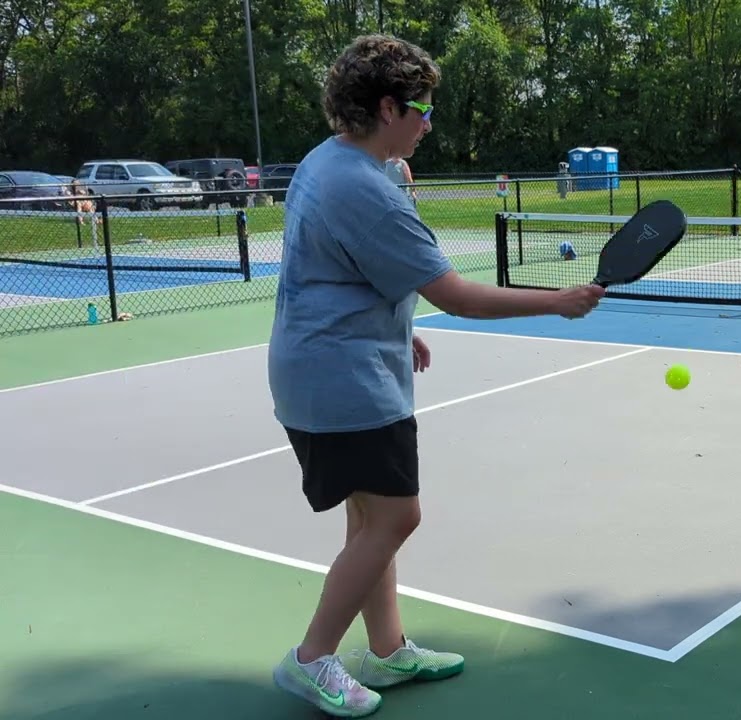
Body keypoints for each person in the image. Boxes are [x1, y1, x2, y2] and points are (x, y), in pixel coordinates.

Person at [266, 34, 605, 717]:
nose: (429, 123)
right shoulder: (368, 191)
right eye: (422, 109)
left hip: (327, 366)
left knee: (369, 518)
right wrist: (557, 302)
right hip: (343, 381)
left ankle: (387, 651)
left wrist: (398, 320)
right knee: (396, 517)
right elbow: (457, 295)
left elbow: (334, 266)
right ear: (387, 107)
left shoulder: (324, 163)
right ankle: (310, 660)